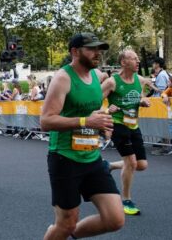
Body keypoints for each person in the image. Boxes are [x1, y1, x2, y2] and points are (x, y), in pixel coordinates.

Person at [41, 33, 123, 240]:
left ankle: (70, 232)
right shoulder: (63, 78)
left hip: (92, 157)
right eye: (92, 49)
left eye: (99, 49)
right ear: (75, 52)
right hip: (65, 158)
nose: (98, 54)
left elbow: (91, 112)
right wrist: (87, 122)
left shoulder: (97, 76)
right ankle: (65, 230)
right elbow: (46, 121)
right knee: (66, 222)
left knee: (115, 220)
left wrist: (102, 125)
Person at [101, 49, 153, 215]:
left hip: (133, 125)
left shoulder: (140, 80)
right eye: (134, 58)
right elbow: (93, 102)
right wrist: (107, 110)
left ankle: (109, 165)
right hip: (118, 124)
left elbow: (141, 96)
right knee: (131, 162)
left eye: (138, 58)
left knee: (142, 165)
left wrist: (143, 101)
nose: (138, 61)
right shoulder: (112, 82)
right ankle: (126, 200)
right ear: (124, 62)